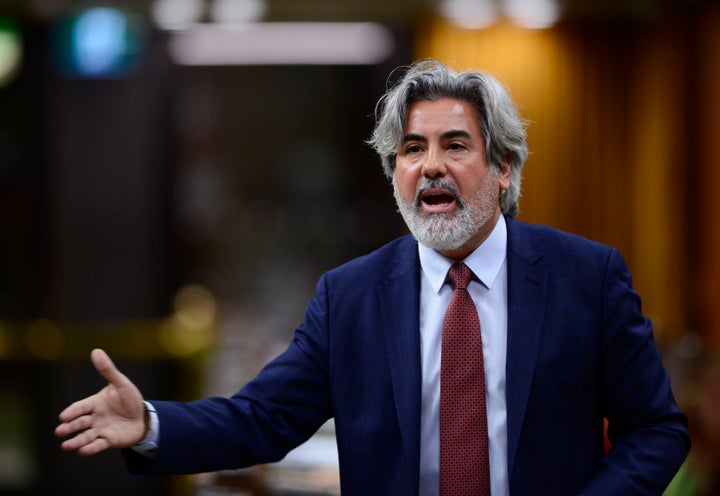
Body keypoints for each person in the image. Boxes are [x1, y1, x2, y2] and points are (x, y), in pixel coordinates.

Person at [55, 59, 690, 495]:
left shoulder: (587, 277)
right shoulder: (351, 295)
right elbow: (262, 419)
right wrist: (154, 426)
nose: (430, 166)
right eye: (412, 149)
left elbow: (656, 430)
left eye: (456, 145)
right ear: (394, 174)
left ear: (503, 168)